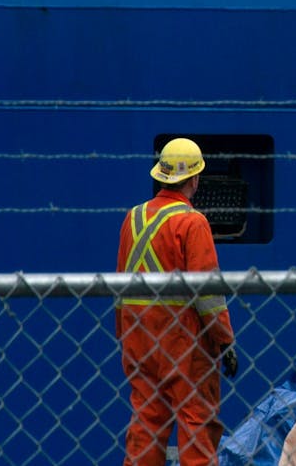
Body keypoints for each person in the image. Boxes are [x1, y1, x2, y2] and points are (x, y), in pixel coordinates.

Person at [116, 137, 239, 466]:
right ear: (196, 178)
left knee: (146, 423)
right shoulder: (192, 222)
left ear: (161, 175)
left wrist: (124, 334)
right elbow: (208, 294)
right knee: (196, 422)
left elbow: (120, 283)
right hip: (182, 340)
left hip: (138, 336)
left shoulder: (133, 218)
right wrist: (225, 342)